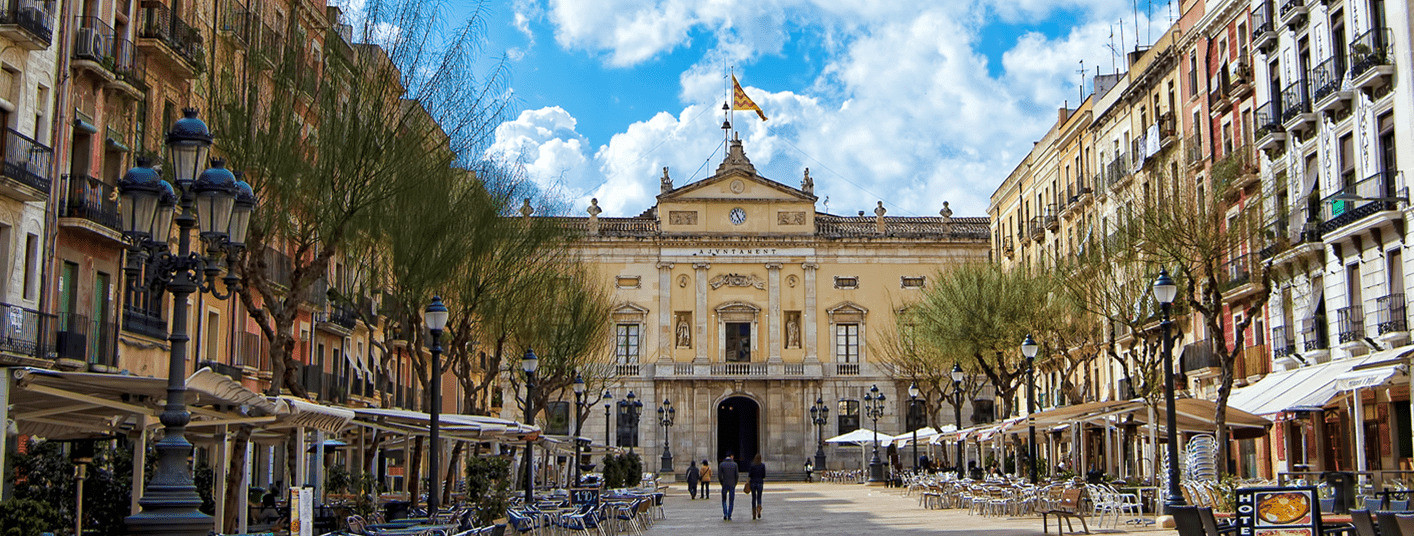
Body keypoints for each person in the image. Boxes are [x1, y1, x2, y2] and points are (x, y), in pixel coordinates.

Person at [719, 454, 740, 521]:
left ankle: (725, 513)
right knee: (731, 500)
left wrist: (722, 483)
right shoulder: (735, 464)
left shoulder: (722, 464)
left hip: (725, 484)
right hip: (732, 484)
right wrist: (735, 483)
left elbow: (720, 476)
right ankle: (729, 514)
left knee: (724, 500)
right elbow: (737, 475)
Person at [748, 454, 766, 520]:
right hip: (760, 482)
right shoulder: (762, 466)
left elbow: (750, 474)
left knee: (753, 498)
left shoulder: (752, 465)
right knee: (759, 497)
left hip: (753, 483)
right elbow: (764, 475)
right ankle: (759, 508)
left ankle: (754, 512)